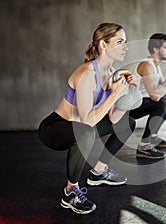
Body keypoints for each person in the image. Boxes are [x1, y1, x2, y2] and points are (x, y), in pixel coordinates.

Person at [38, 23, 138, 214]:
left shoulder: (111, 74)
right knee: (85, 132)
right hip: (55, 128)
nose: (126, 47)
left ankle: (99, 172)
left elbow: (115, 120)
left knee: (128, 123)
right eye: (120, 42)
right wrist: (114, 95)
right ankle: (70, 192)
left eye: (126, 42)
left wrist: (129, 94)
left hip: (82, 128)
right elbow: (86, 122)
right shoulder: (86, 73)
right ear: (103, 45)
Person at [129, 33, 166, 159]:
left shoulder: (156, 66)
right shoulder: (147, 65)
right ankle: (143, 146)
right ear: (156, 49)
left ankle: (153, 137)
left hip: (142, 102)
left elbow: (164, 94)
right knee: (161, 103)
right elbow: (155, 96)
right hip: (128, 108)